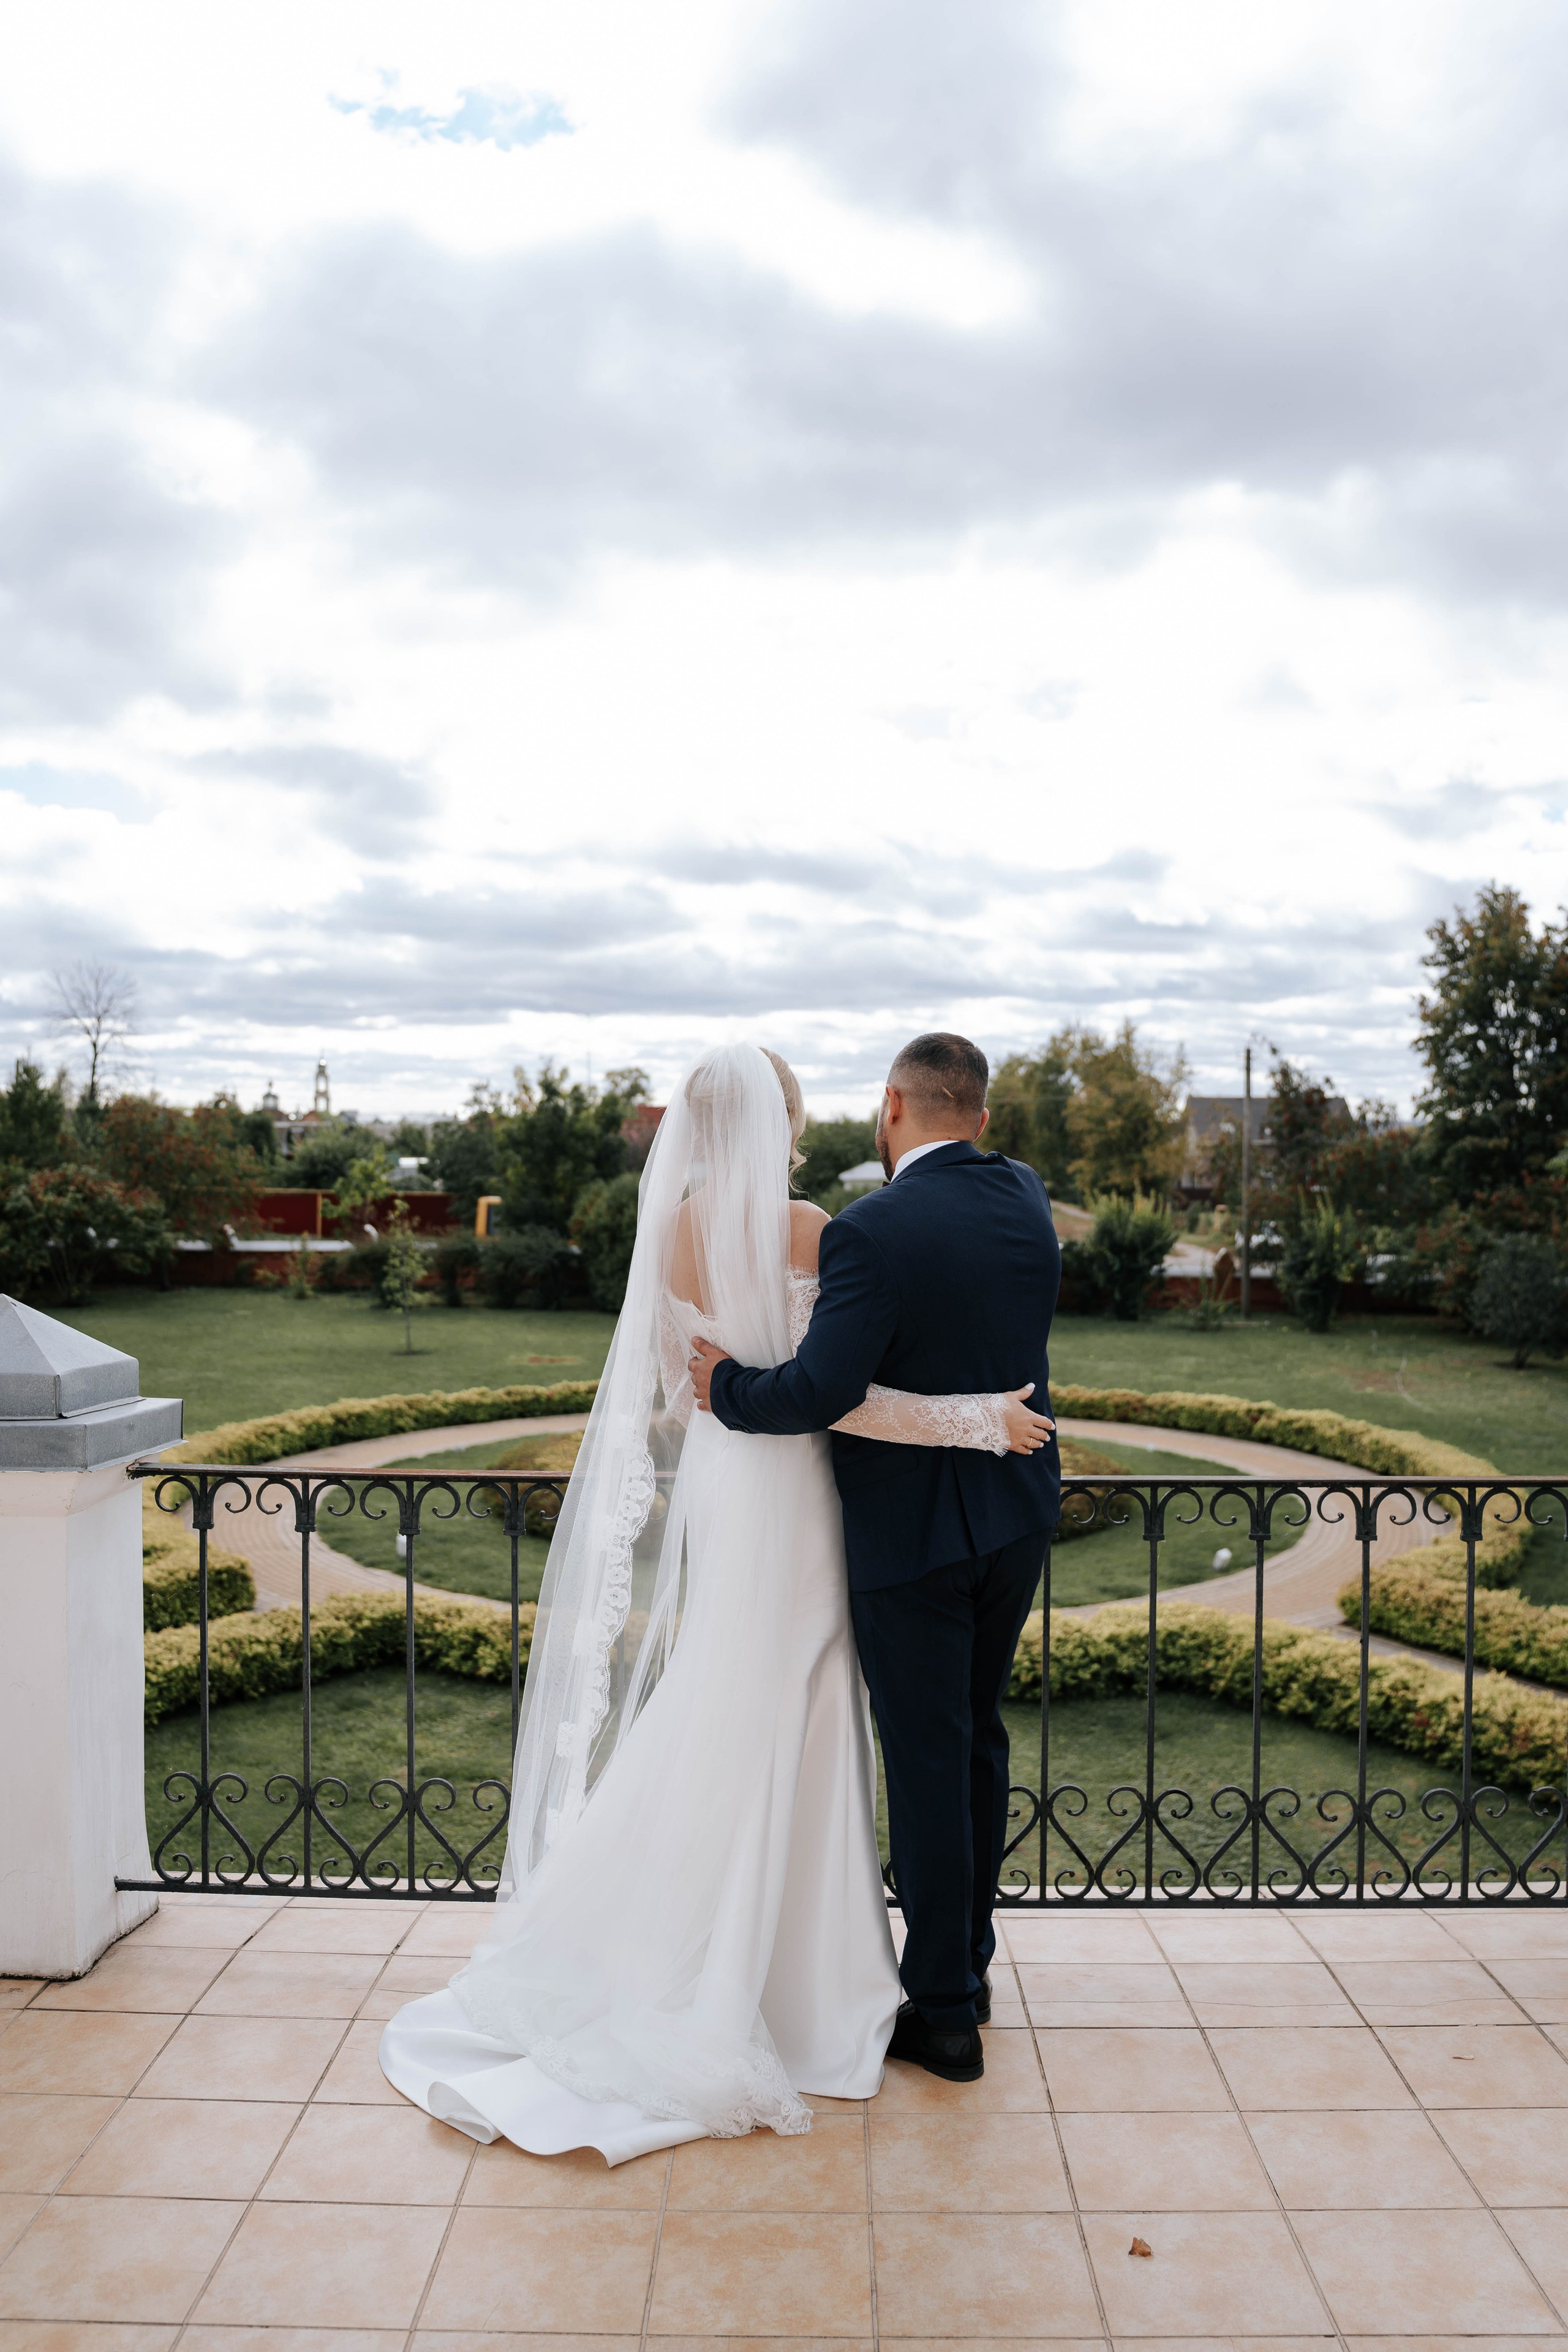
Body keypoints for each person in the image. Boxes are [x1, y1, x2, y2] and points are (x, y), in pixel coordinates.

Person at [379, 1041, 1052, 2160]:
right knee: (829, 1705)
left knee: (732, 1692)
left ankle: (734, 1951)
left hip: (733, 1486)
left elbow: (695, 1389)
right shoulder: (828, 1227)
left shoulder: (672, 1234)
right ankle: (846, 1977)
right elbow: (830, 1397)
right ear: (784, 1121)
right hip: (816, 1493)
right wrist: (980, 1418)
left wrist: (725, 1388)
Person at [690, 1031, 1061, 2085]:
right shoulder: (1026, 1195)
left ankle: (943, 2014)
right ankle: (968, 1968)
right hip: (1017, 1512)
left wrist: (724, 1387)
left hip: (912, 1537)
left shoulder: (868, 1230)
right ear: (980, 1116)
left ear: (892, 1104)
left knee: (930, 1757)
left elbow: (820, 1391)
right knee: (977, 1742)